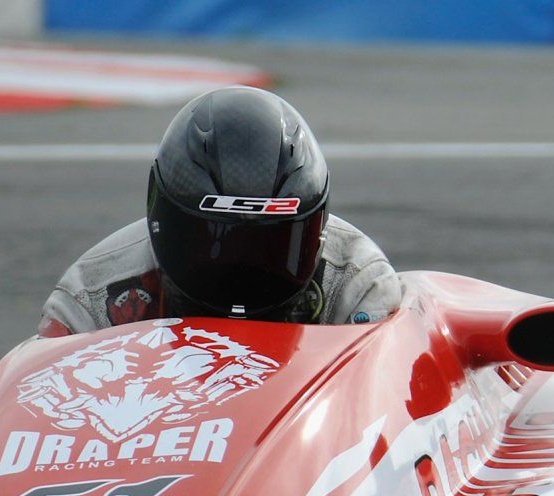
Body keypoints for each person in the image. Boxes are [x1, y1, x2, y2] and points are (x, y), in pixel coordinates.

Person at [39, 86, 401, 336]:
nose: (241, 270)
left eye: (269, 247)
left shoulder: (356, 284)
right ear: (161, 217)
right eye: (215, 241)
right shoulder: (94, 295)